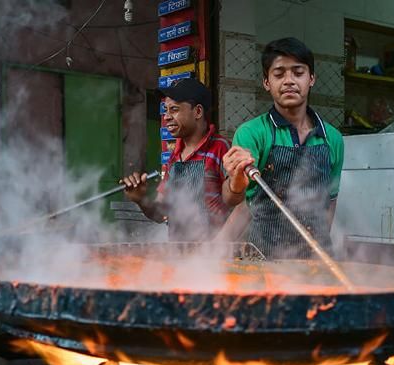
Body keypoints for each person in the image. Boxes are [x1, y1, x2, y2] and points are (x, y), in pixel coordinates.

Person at [220, 37, 344, 258]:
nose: (289, 81)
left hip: (317, 259)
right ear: (267, 82)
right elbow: (232, 199)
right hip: (264, 259)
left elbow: (330, 201)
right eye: (279, 74)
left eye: (298, 72)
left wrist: (320, 247)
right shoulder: (252, 133)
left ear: (311, 79)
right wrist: (236, 182)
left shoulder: (332, 138)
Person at [122, 78, 231, 241]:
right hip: (178, 257)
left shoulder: (221, 148)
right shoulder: (174, 157)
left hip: (212, 257)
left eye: (174, 109)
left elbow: (240, 206)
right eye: (165, 110)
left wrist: (220, 246)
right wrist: (141, 200)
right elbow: (161, 214)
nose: (166, 117)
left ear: (198, 112)